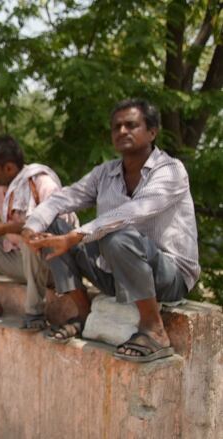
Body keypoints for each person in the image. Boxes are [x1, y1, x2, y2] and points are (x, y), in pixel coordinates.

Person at [23, 99, 199, 363]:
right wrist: (31, 227)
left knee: (117, 236)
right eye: (116, 127)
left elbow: (133, 212)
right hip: (115, 274)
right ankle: (82, 314)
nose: (122, 131)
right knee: (50, 227)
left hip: (167, 276)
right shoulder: (105, 173)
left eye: (131, 125)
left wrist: (76, 236)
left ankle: (154, 330)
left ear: (152, 132)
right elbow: (63, 198)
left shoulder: (171, 170)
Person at [0, 135, 76, 329]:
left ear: (8, 168)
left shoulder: (42, 183)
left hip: (52, 266)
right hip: (18, 262)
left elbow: (50, 225)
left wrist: (4, 228)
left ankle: (35, 313)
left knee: (31, 237)